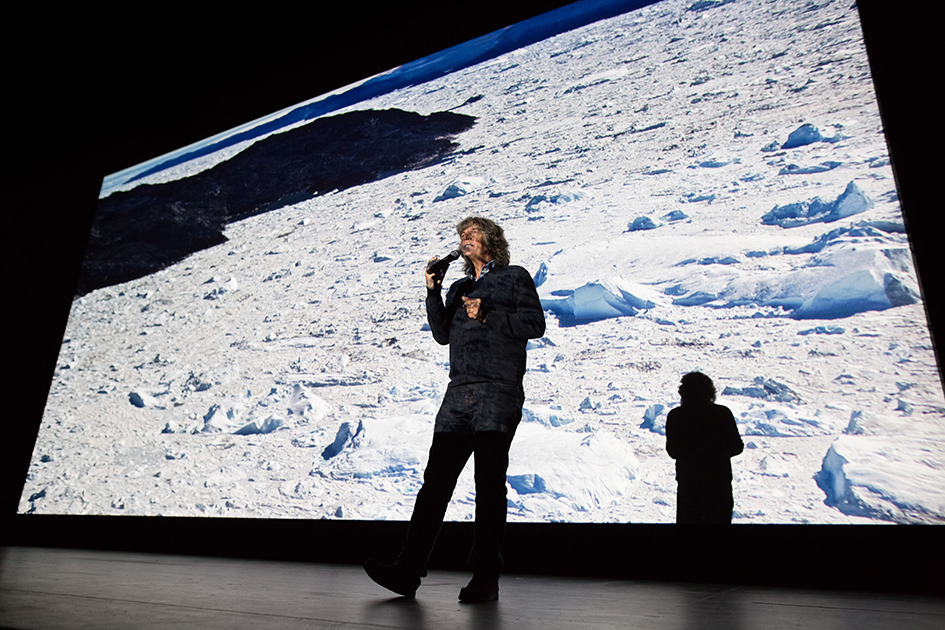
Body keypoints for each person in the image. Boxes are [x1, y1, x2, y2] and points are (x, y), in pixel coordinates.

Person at [365, 216, 546, 602]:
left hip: (497, 390)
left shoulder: (515, 276)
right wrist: (434, 290)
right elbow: (442, 334)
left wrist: (488, 314)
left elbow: (535, 324)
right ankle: (407, 571)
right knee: (435, 486)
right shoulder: (461, 286)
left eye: (473, 232)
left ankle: (485, 578)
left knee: (488, 486)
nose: (465, 238)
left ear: (491, 241)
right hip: (458, 393)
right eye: (462, 234)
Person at [665, 372, 744, 524]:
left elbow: (673, 452)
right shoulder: (722, 413)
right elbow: (737, 447)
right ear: (710, 391)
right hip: (719, 483)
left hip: (689, 485)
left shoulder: (676, 416)